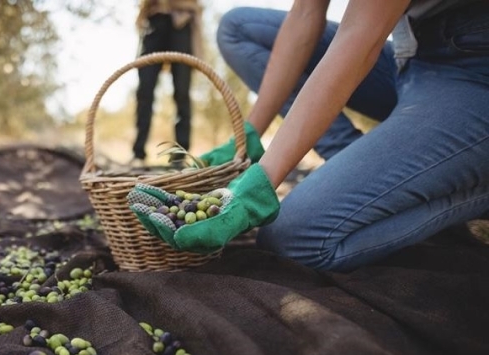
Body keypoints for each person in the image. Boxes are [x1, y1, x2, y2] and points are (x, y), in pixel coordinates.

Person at [128, 0, 489, 272]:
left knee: (294, 236)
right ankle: (360, 161)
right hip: (410, 59)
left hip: (473, 73)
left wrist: (259, 184)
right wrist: (251, 132)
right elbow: (304, 14)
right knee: (240, 28)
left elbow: (360, 39)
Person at [131, 0, 204, 166]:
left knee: (182, 92)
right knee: (144, 92)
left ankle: (180, 157)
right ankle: (138, 153)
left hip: (181, 23)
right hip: (154, 22)